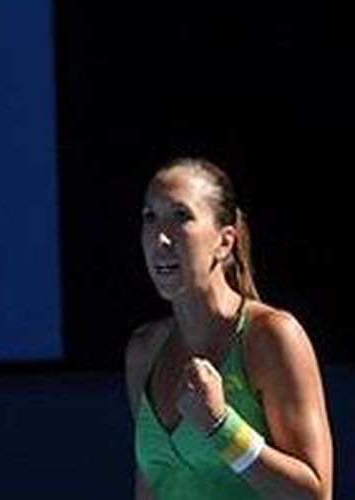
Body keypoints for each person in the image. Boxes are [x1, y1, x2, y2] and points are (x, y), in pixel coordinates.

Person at [125, 157, 333, 499]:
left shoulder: (272, 337)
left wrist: (221, 427)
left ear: (225, 242)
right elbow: (150, 488)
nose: (160, 237)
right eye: (150, 217)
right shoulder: (143, 351)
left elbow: (315, 495)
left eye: (181, 216)